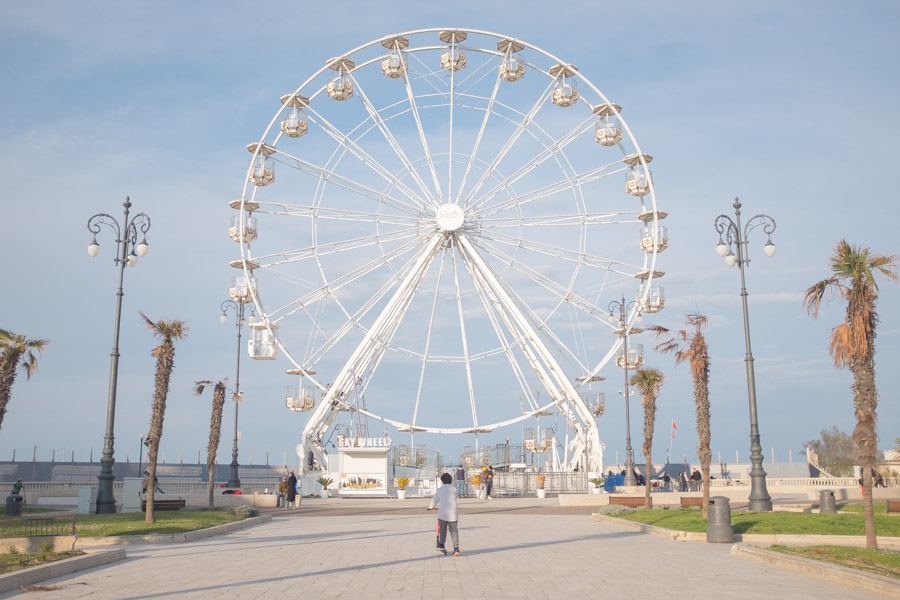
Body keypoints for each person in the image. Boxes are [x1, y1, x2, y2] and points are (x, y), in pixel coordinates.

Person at [428, 472, 460, 557]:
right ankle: (456, 549)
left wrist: (431, 507)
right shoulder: (454, 489)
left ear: (442, 481)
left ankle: (441, 545)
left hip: (443, 512)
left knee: (442, 529)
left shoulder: (440, 489)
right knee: (454, 530)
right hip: (453, 512)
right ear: (451, 480)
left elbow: (435, 499)